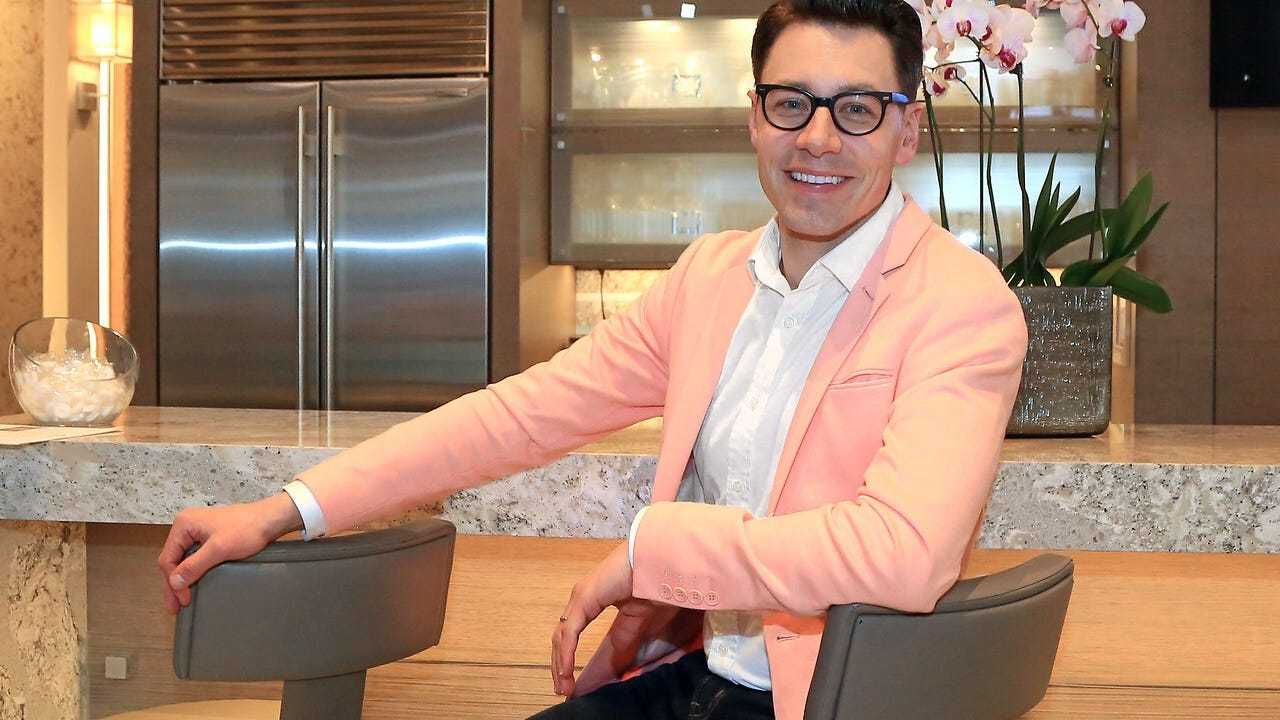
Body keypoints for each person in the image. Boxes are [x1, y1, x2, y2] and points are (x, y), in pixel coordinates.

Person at [158, 1, 1028, 718]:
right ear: (754, 116)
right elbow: (519, 415)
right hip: (700, 679)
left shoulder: (960, 302)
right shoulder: (709, 278)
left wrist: (654, 549)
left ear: (906, 131)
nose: (819, 139)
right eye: (790, 103)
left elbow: (902, 553)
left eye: (858, 109)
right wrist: (288, 507)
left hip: (831, 700)